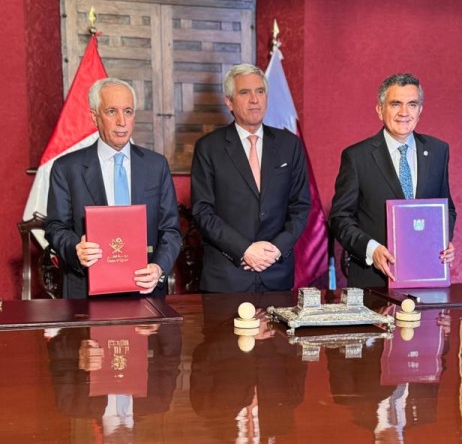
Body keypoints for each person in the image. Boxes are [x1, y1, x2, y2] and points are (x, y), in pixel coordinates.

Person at [44, 78, 181, 298]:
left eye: (128, 111)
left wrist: (158, 268)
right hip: (86, 292)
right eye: (111, 111)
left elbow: (171, 230)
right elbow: (55, 227)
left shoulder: (156, 165)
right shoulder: (67, 168)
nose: (122, 121)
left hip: (145, 289)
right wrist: (76, 249)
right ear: (94, 116)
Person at [190, 63, 311, 293]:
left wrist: (276, 249)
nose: (254, 99)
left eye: (260, 91)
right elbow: (202, 211)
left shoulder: (290, 145)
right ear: (229, 102)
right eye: (245, 92)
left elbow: (301, 206)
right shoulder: (208, 148)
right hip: (227, 278)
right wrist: (244, 250)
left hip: (276, 274)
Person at [329, 73, 456, 288]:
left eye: (412, 104)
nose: (404, 112)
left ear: (420, 110)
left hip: (426, 276)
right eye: (396, 104)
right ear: (380, 110)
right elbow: (340, 219)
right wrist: (372, 250)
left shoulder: (438, 151)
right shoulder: (357, 157)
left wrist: (443, 240)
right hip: (373, 280)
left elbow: (447, 209)